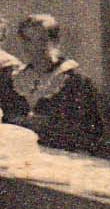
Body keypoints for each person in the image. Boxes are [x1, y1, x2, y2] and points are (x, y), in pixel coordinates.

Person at [10, 14, 104, 152]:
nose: (34, 47)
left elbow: (90, 131)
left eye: (42, 40)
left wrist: (47, 126)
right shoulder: (16, 78)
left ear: (55, 41)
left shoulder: (76, 80)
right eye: (28, 40)